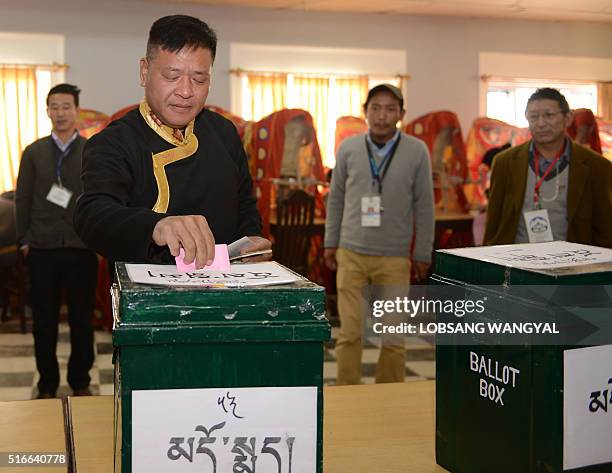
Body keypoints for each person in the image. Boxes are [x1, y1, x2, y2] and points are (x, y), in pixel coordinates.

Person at [74, 15, 270, 268]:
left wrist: (250, 239)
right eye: (171, 76)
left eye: (199, 79)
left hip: (225, 288)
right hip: (149, 297)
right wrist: (155, 225)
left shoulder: (224, 132)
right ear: (145, 72)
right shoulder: (114, 141)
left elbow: (244, 203)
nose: (186, 91)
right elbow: (92, 214)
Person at [324, 84, 435, 385]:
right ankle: (348, 393)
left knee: (394, 335)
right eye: (376, 108)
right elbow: (336, 198)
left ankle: (389, 396)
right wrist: (330, 242)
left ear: (401, 114)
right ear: (366, 111)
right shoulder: (348, 148)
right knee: (350, 332)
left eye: (390, 109)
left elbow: (424, 205)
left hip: (395, 257)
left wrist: (423, 253)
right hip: (351, 252)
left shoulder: (416, 151)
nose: (382, 116)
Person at [15, 83, 98, 398]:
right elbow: (23, 198)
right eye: (54, 107)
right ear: (47, 110)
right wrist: (24, 239)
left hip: (81, 246)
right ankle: (46, 382)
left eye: (66, 107)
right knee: (44, 320)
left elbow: (100, 199)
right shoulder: (34, 152)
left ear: (77, 111)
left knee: (81, 319)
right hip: (42, 247)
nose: (60, 113)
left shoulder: (92, 150)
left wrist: (98, 240)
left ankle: (80, 380)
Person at [484, 88, 612, 247]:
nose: (541, 123)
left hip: (572, 263)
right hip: (516, 262)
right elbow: (493, 222)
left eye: (549, 115)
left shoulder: (596, 166)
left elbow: (605, 229)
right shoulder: (505, 162)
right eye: (533, 116)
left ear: (567, 118)